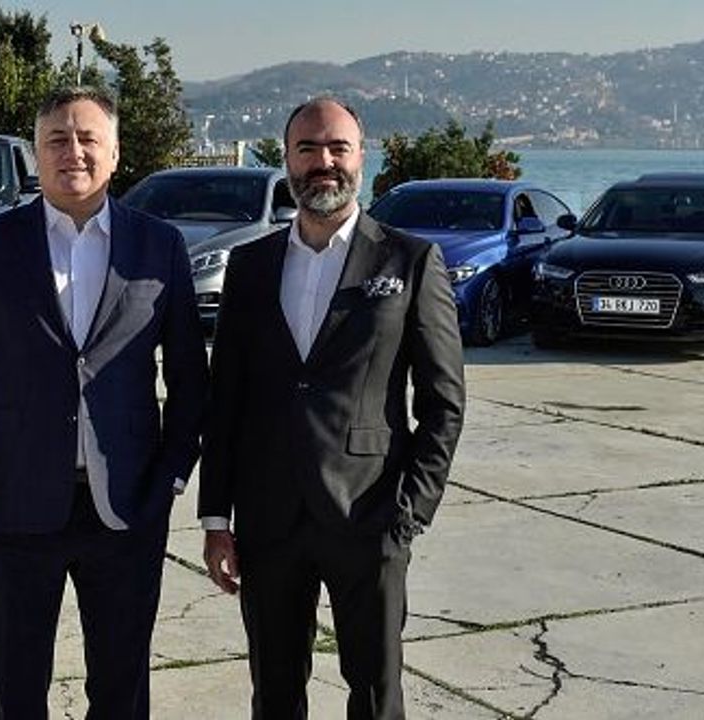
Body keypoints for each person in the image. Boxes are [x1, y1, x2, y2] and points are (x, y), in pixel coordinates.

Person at [0, 86, 208, 719]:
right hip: (14, 506)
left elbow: (190, 380)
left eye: (88, 139)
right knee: (15, 689)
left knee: (121, 689)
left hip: (128, 508)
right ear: (36, 153)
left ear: (115, 153)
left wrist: (170, 479)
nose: (73, 152)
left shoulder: (159, 245)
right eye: (57, 139)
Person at [198, 96, 466, 720]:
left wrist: (408, 514)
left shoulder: (409, 261)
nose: (324, 162)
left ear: (361, 158)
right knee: (274, 694)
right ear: (287, 159)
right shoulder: (251, 265)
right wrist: (216, 517)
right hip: (268, 522)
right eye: (308, 149)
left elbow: (444, 403)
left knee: (375, 695)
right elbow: (226, 397)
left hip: (369, 518)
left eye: (338, 148)